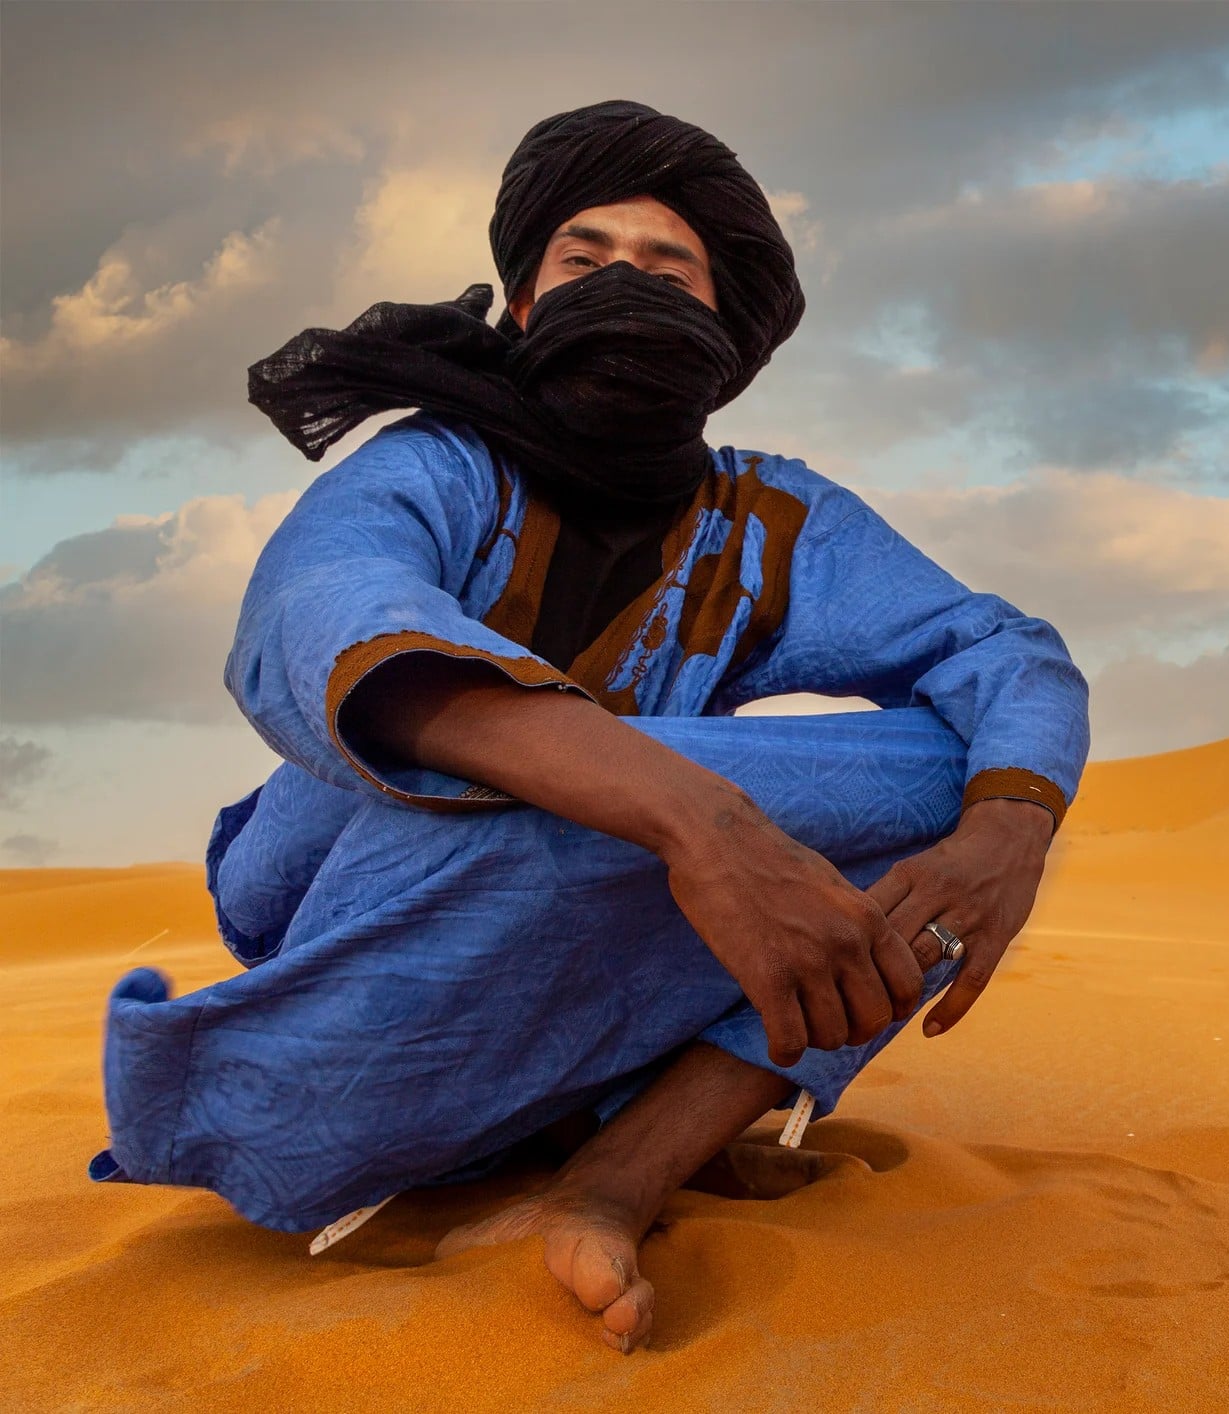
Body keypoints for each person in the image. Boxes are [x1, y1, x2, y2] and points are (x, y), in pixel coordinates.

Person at [91, 100, 1090, 1354]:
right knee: (445, 774)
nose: (626, 282)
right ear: (521, 305)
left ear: (723, 325)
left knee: (971, 777)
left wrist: (1010, 827)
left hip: (609, 906)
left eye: (669, 267)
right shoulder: (436, 468)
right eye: (586, 258)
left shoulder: (771, 519)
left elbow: (1001, 649)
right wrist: (706, 825)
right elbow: (321, 611)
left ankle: (615, 1173)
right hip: (372, 888)